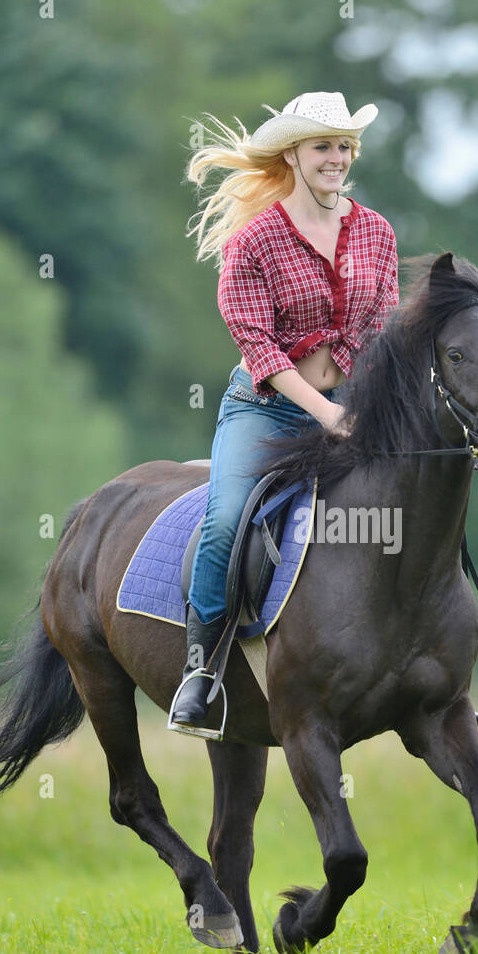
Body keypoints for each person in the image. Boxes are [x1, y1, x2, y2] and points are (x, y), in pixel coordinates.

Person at [169, 92, 400, 729]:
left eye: (345, 146)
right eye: (323, 145)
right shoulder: (253, 241)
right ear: (292, 155)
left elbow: (379, 330)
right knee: (226, 521)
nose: (337, 157)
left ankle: (429, 660)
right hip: (266, 411)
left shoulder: (376, 232)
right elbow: (260, 348)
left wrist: (363, 407)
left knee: (414, 499)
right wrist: (325, 414)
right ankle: (203, 670)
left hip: (351, 407)